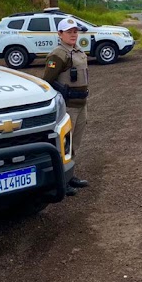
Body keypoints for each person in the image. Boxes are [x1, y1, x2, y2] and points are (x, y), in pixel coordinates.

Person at [43, 18, 90, 196]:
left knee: (74, 144)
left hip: (81, 104)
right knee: (64, 144)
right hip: (68, 106)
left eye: (75, 31)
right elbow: (47, 82)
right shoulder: (58, 54)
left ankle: (70, 176)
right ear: (60, 34)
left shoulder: (77, 51)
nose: (73, 34)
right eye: (69, 31)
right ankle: (60, 182)